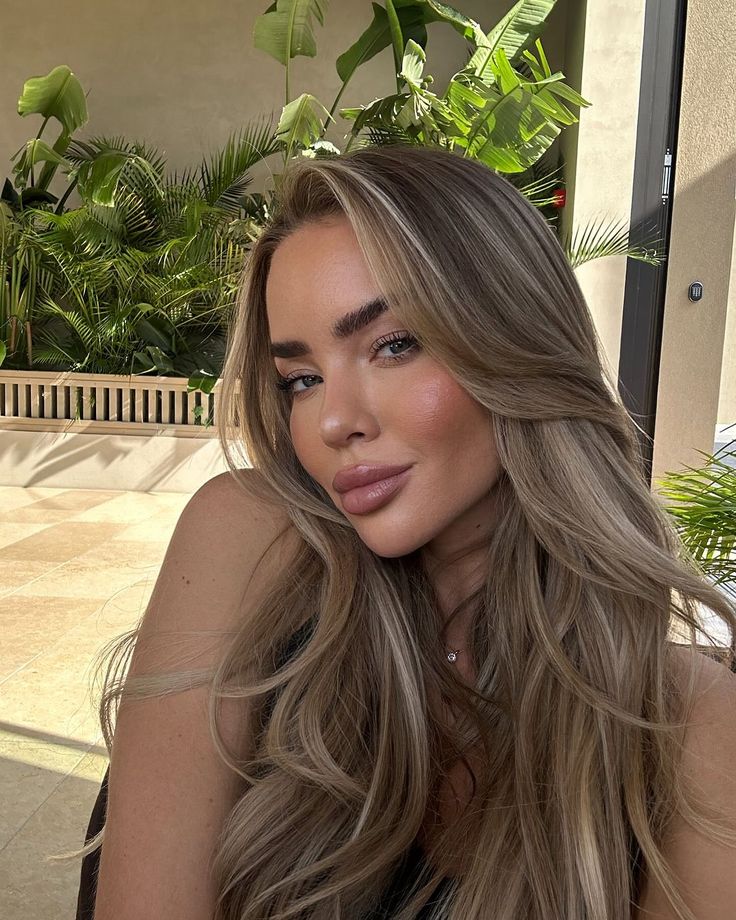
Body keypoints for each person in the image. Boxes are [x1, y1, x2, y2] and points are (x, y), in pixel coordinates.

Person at [68, 144, 736, 920]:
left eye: (393, 345)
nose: (334, 422)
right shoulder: (249, 542)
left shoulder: (687, 723)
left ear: (514, 343)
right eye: (302, 380)